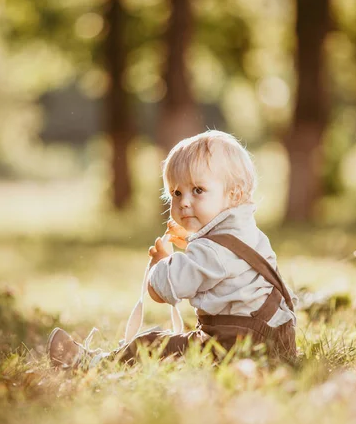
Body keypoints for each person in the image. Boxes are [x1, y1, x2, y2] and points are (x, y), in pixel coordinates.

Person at [47, 130, 297, 369]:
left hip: (234, 348)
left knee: (153, 343)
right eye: (176, 193)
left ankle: (93, 364)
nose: (184, 202)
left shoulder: (212, 250)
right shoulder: (247, 233)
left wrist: (161, 265)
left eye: (197, 190)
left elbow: (164, 289)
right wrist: (192, 241)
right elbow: (221, 266)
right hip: (275, 339)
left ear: (233, 195)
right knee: (180, 341)